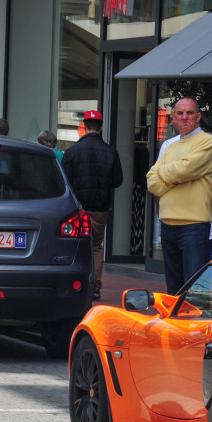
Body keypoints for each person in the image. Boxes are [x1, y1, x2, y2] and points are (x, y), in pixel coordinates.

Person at [146, 97, 212, 294]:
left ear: (198, 117)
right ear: (174, 118)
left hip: (193, 225)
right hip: (168, 224)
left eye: (190, 113)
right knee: (173, 290)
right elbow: (151, 182)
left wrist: (168, 173)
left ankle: (193, 325)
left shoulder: (207, 141)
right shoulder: (170, 146)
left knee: (193, 290)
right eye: (180, 113)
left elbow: (185, 170)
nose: (185, 117)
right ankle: (176, 325)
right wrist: (176, 176)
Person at [62, 110, 123, 301]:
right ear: (101, 127)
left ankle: (75, 284)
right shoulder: (111, 151)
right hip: (100, 207)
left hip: (78, 207)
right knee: (97, 245)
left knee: (75, 245)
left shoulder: (72, 152)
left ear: (84, 126)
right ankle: (96, 287)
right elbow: (118, 180)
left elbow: (65, 181)